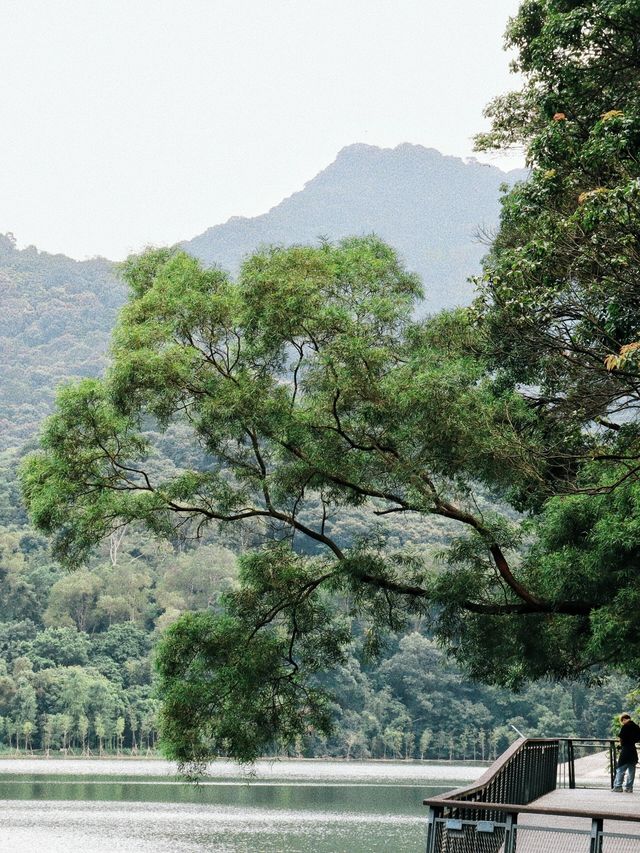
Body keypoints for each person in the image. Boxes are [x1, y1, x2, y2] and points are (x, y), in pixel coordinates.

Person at [613, 713, 640, 792]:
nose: (622, 723)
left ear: (624, 719)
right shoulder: (636, 727)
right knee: (631, 771)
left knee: (620, 769)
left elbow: (621, 738)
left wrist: (620, 745)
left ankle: (618, 786)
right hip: (633, 750)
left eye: (622, 721)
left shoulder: (625, 726)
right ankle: (629, 788)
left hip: (625, 750)